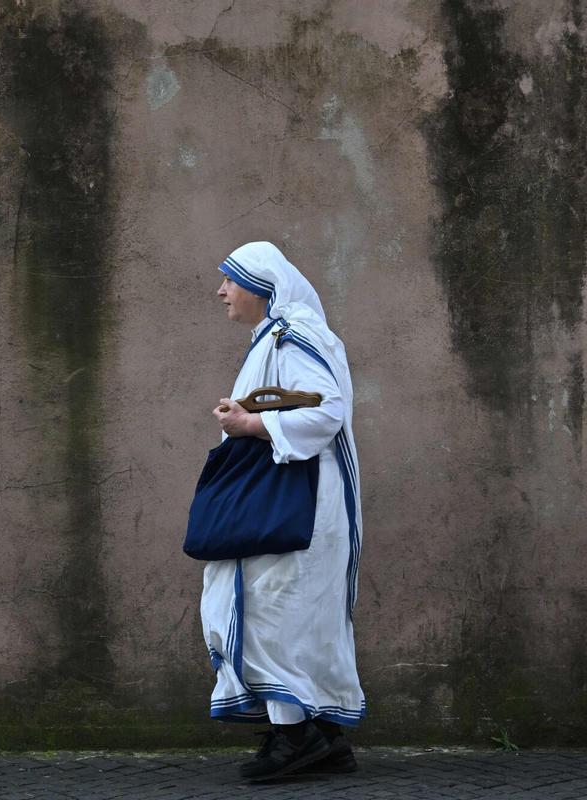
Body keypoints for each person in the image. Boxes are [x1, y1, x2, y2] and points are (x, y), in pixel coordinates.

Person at [203, 241, 365, 781]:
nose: (221, 290)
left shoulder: (292, 333)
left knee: (275, 612)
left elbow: (326, 412)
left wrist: (248, 426)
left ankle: (295, 738)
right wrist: (246, 414)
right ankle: (321, 736)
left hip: (297, 503)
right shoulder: (276, 335)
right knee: (293, 615)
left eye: (230, 279)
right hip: (294, 498)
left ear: (261, 286)